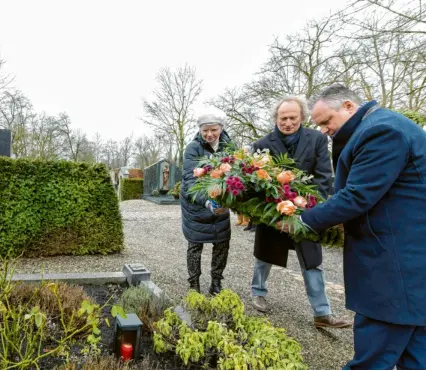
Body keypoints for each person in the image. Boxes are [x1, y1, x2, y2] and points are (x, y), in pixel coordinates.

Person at [279, 84, 426, 369]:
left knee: (372, 358)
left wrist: (301, 221)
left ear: (348, 106)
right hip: (410, 270)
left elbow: (357, 195)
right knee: (416, 357)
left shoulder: (381, 132)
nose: (322, 130)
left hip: (393, 271)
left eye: (325, 121)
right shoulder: (381, 124)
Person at [251, 96, 351, 329]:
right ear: (276, 118)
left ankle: (322, 312)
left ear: (301, 118)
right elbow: (256, 182)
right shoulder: (261, 145)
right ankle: (258, 292)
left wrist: (308, 204)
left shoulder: (317, 139)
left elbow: (324, 177)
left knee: (312, 261)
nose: (287, 122)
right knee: (264, 257)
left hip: (307, 212)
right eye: (283, 118)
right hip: (273, 213)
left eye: (292, 118)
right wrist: (273, 207)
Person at [180, 114, 233, 295]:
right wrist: (208, 202)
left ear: (221, 128)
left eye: (214, 130)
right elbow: (190, 180)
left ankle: (216, 282)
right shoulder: (193, 149)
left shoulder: (229, 147)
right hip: (196, 204)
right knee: (195, 244)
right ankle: (194, 283)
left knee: (222, 243)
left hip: (221, 203)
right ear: (200, 130)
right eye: (205, 130)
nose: (209, 134)